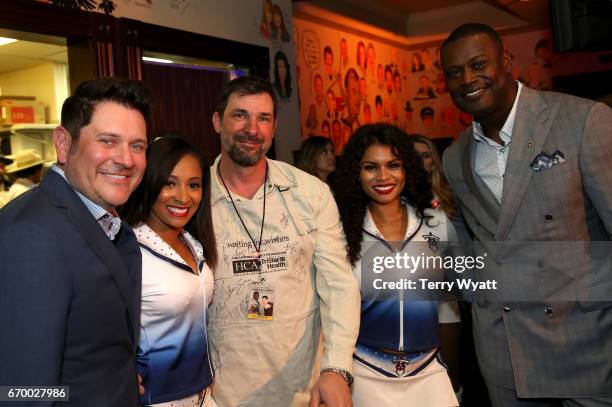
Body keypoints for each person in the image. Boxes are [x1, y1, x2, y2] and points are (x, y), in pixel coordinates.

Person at [441, 23, 612, 407]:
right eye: (454, 73)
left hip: (586, 343)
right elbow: (469, 243)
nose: (467, 79)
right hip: (505, 350)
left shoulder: (583, 120)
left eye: (478, 63)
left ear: (505, 61)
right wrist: (480, 294)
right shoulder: (454, 158)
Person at [207, 76, 360, 406]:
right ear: (217, 121)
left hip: (302, 392)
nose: (252, 128)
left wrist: (337, 368)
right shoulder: (192, 199)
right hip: (221, 395)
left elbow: (339, 286)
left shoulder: (309, 193)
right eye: (240, 115)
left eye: (263, 118)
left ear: (274, 127)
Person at [0, 78, 153, 405]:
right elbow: (23, 392)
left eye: (137, 146)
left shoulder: (102, 220)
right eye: (108, 141)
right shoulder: (33, 235)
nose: (126, 160)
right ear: (63, 142)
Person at [332, 123, 458, 406]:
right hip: (365, 374)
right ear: (357, 173)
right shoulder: (339, 233)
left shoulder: (436, 224)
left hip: (429, 373)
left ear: (406, 169)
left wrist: (455, 373)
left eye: (393, 165)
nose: (383, 176)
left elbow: (449, 308)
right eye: (370, 167)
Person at [120, 136, 217, 406]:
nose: (183, 197)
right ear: (149, 183)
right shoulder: (130, 250)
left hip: (202, 394)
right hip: (156, 398)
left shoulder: (194, 243)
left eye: (194, 185)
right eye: (169, 183)